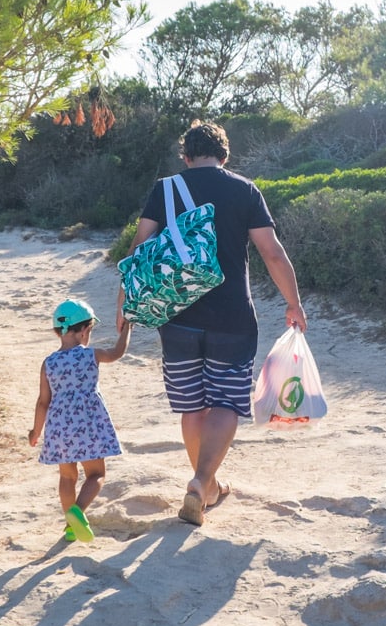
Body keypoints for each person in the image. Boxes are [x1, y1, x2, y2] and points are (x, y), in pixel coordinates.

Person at [117, 120, 308, 526]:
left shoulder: (166, 189)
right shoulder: (244, 190)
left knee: (192, 407)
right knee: (225, 403)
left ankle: (206, 485)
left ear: (185, 156)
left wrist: (124, 302)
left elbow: (139, 249)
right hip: (231, 316)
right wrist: (293, 303)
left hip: (177, 316)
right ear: (225, 155)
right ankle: (202, 481)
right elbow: (272, 252)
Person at [28, 298, 131, 543]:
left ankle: (71, 527)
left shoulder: (49, 363)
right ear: (84, 331)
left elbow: (43, 401)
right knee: (96, 474)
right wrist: (128, 326)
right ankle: (77, 512)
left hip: (59, 427)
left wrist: (36, 431)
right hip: (88, 425)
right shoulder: (91, 355)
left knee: (67, 477)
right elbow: (117, 353)